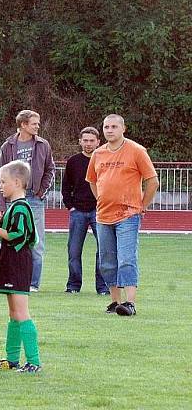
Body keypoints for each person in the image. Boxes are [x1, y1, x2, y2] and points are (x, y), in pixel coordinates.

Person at [86, 114, 159, 317]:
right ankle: (115, 301)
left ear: (123, 129)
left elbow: (152, 181)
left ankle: (130, 302)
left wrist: (142, 205)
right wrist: (101, 198)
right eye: (106, 127)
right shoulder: (98, 154)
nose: (110, 130)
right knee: (107, 260)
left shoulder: (136, 151)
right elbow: (92, 180)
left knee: (127, 258)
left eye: (114, 127)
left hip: (128, 214)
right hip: (103, 215)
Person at [0, 161, 43, 373]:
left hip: (18, 264)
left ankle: (34, 361)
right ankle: (12, 359)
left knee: (22, 312)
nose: (1, 186)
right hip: (9, 263)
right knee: (13, 312)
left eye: (4, 182)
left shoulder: (22, 208)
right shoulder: (14, 207)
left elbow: (19, 236)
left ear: (17, 182)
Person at [0, 109, 55, 292]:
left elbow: (50, 170)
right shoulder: (8, 146)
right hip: (12, 197)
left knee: (36, 242)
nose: (38, 126)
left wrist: (40, 193)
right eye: (34, 123)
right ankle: (15, 279)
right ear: (23, 124)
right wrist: (1, 203)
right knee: (11, 239)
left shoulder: (43, 145)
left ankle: (33, 284)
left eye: (37, 123)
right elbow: (0, 173)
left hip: (34, 198)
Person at [62, 127, 107, 294]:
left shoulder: (103, 159)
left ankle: (103, 287)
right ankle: (73, 285)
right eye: (85, 140)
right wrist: (70, 206)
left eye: (92, 141)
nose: (88, 144)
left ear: (98, 142)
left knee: (103, 249)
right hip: (78, 211)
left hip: (99, 211)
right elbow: (66, 186)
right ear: (80, 141)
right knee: (74, 250)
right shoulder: (73, 161)